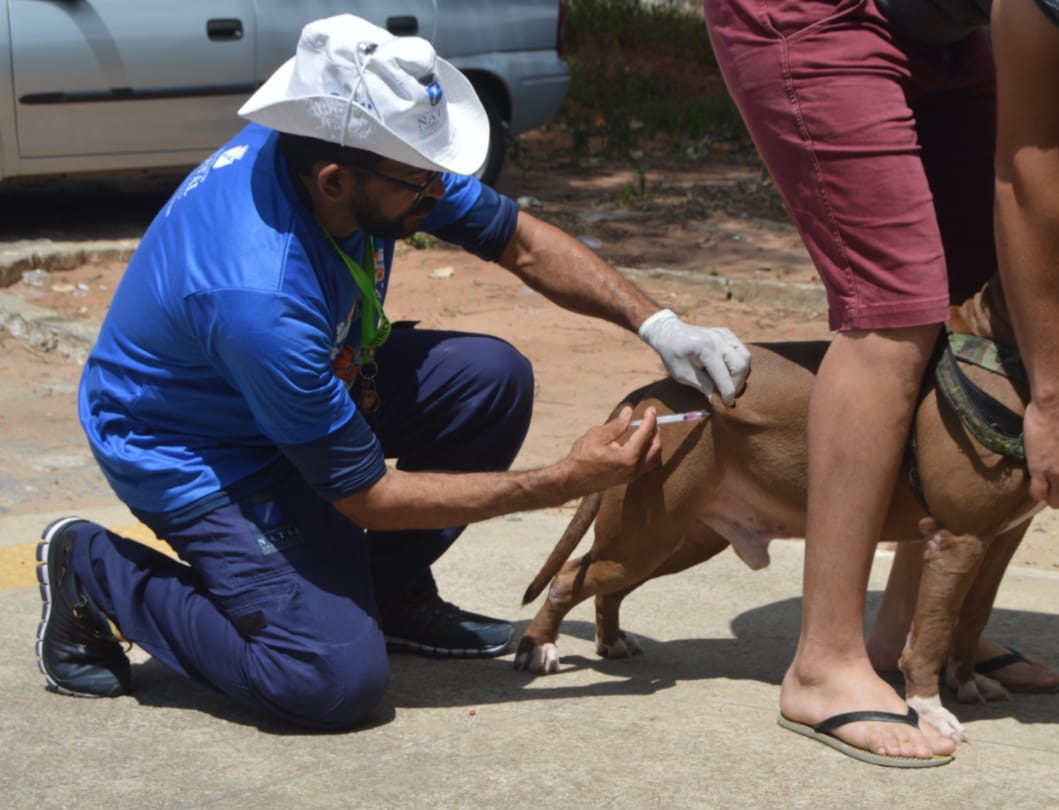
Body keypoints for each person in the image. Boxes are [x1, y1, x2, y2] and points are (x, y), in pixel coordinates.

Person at [34, 14, 750, 731]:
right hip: (198, 447)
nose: (439, 196)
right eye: (420, 184)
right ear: (336, 181)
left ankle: (389, 591)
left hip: (302, 384)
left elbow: (522, 243)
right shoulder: (260, 294)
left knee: (489, 380)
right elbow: (368, 496)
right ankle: (94, 569)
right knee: (327, 678)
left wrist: (659, 325)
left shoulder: (355, 156)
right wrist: (564, 481)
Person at [705, 0, 1059, 765]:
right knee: (896, 300)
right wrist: (1052, 397)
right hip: (809, 11)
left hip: (934, 25)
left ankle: (917, 638)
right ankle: (823, 663)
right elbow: (1028, 171)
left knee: (986, 287)